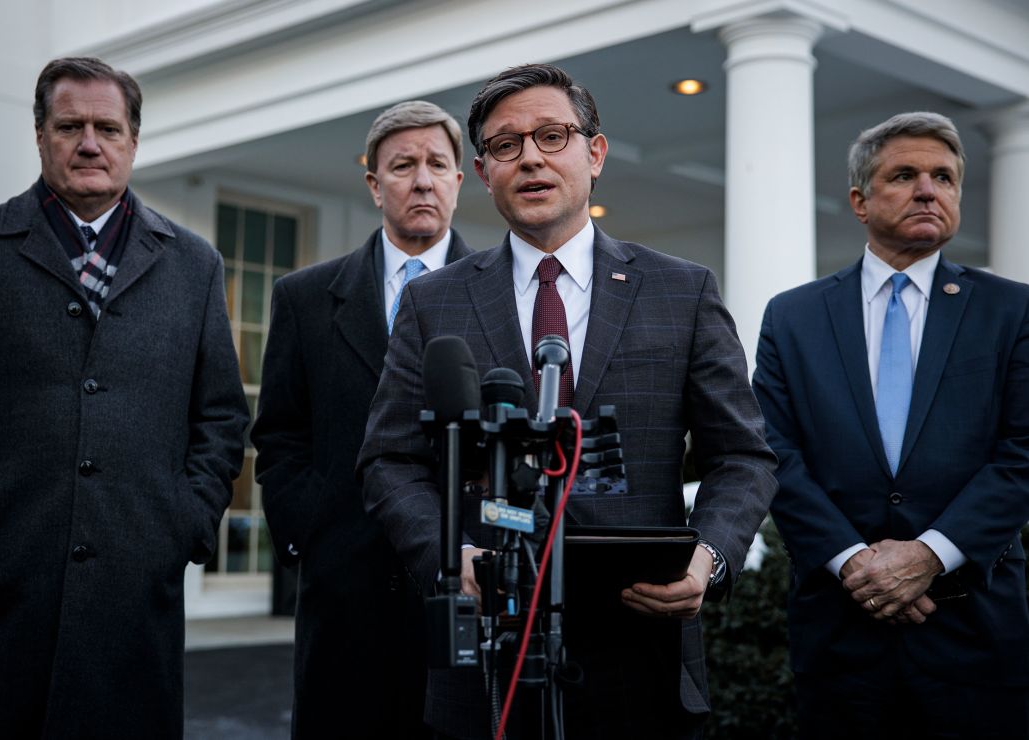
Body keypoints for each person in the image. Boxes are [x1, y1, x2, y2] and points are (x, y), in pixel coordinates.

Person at [357, 64, 777, 740]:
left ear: (595, 153)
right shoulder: (434, 301)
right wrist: (448, 554)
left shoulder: (683, 292)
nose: (530, 157)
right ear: (484, 171)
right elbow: (388, 459)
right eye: (505, 145)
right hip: (491, 653)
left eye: (552, 136)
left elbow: (744, 456)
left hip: (643, 649)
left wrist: (710, 559)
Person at [0, 57, 249, 738]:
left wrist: (185, 522)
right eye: (70, 126)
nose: (89, 143)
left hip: (137, 591)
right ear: (40, 134)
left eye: (108, 127)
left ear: (133, 140)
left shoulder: (194, 263)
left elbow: (220, 415)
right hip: (4, 585)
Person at [753, 111, 1029, 739]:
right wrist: (853, 561)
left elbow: (1024, 452)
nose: (929, 190)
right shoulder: (794, 317)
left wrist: (930, 555)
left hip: (975, 634)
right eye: (904, 175)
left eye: (945, 177)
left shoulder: (1012, 310)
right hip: (840, 637)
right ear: (859, 200)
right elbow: (773, 451)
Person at [251, 100, 471, 739]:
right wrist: (309, 533)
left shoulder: (503, 292)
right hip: (343, 592)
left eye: (437, 163)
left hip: (462, 591)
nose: (422, 179)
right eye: (402, 165)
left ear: (460, 180)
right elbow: (280, 432)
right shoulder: (304, 298)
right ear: (375, 186)